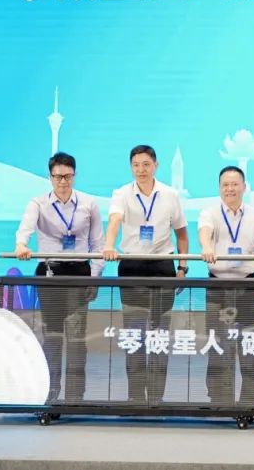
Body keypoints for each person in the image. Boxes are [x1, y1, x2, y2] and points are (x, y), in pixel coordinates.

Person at [102, 144, 188, 405]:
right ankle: (135, 396)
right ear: (131, 167)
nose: (141, 170)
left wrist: (182, 267)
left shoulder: (170, 195)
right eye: (136, 165)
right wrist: (109, 246)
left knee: (159, 336)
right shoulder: (121, 194)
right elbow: (115, 220)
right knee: (135, 335)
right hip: (132, 266)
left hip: (163, 267)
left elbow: (182, 234)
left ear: (156, 166)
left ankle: (156, 397)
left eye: (146, 164)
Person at [13, 152, 103, 403]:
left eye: (67, 176)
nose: (63, 181)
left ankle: (75, 397)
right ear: (50, 177)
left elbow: (98, 243)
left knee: (76, 338)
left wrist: (95, 277)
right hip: (49, 272)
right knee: (52, 336)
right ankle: (49, 395)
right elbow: (25, 228)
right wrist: (21, 245)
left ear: (75, 175)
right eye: (58, 177)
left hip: (79, 273)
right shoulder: (38, 203)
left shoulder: (89, 204)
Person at [197, 166, 254, 406]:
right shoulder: (209, 212)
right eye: (225, 185)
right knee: (217, 344)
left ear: (244, 186)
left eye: (234, 184)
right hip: (218, 286)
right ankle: (219, 399)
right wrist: (206, 247)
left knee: (250, 345)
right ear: (219, 188)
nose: (229, 189)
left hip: (248, 286)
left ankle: (249, 400)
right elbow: (205, 232)